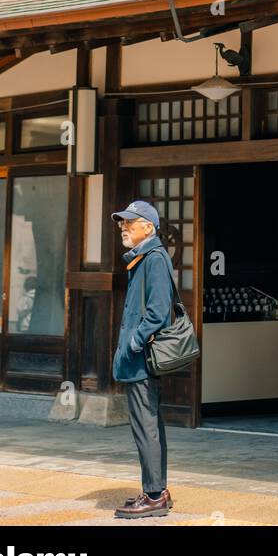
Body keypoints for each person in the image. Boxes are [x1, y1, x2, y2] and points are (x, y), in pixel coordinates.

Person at [111, 199, 176, 518]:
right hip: (139, 357)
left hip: (142, 358)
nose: (123, 227)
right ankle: (157, 489)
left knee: (146, 426)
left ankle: (153, 496)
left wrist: (134, 342)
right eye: (121, 223)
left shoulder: (154, 258)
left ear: (148, 227)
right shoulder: (144, 258)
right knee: (149, 425)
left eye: (129, 222)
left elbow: (159, 311)